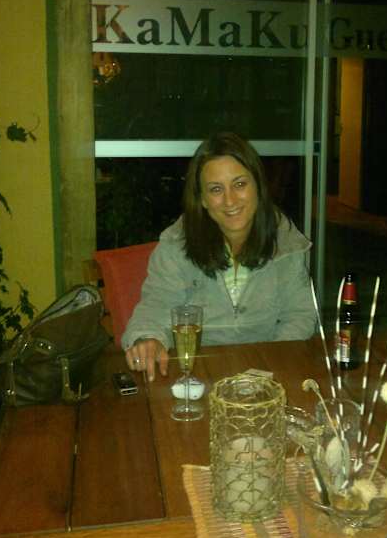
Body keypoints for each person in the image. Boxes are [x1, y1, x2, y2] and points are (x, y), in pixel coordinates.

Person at [123, 132, 316, 380]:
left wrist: (268, 369)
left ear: (258, 186)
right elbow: (156, 304)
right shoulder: (176, 244)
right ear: (202, 199)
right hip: (194, 373)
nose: (230, 200)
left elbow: (299, 316)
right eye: (216, 189)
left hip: (267, 371)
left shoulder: (286, 242)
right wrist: (147, 338)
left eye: (240, 184)